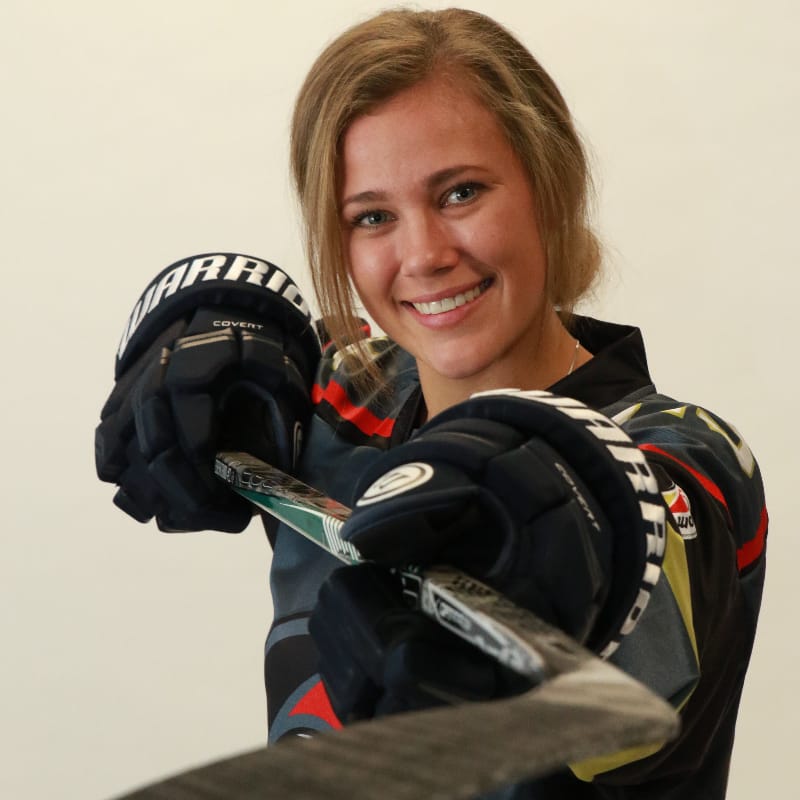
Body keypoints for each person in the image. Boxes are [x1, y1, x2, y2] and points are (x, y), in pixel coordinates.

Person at [95, 8, 767, 799]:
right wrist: (200, 312)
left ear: (551, 184)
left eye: (460, 192)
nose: (424, 255)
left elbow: (642, 521)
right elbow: (248, 342)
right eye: (372, 217)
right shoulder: (341, 405)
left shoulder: (690, 459)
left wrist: (544, 523)